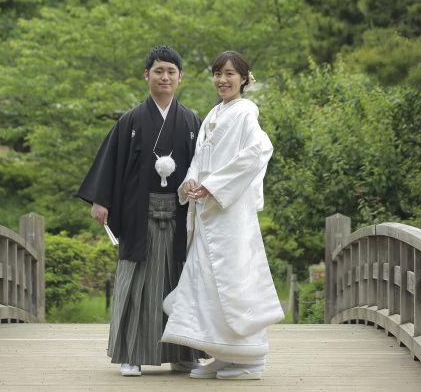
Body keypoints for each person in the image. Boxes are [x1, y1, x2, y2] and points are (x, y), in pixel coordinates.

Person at [77, 46, 204, 376]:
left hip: (180, 213)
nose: (165, 77)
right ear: (146, 75)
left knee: (182, 279)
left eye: (171, 72)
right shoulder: (130, 120)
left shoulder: (191, 121)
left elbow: (204, 167)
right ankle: (130, 353)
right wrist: (101, 200)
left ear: (180, 77)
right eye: (159, 71)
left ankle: (185, 353)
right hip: (139, 214)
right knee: (136, 282)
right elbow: (111, 164)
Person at [160, 51, 285, 380]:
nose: (222, 80)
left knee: (233, 281)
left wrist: (213, 185)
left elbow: (256, 153)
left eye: (229, 74)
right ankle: (222, 354)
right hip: (206, 210)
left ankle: (251, 360)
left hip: (229, 213)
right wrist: (191, 181)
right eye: (217, 74)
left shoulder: (246, 112)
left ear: (244, 78)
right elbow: (202, 160)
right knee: (207, 282)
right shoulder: (214, 113)